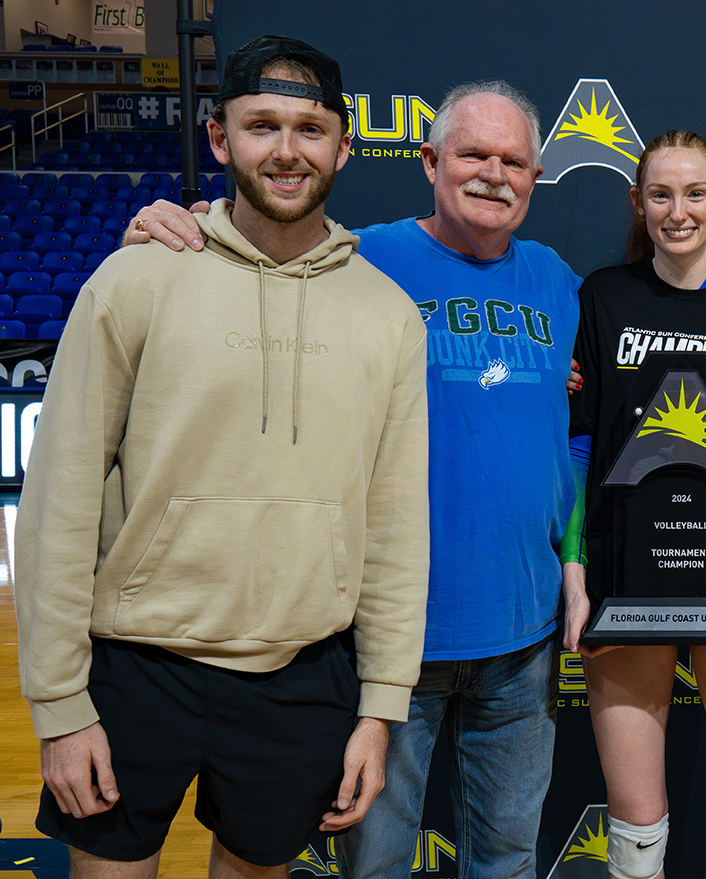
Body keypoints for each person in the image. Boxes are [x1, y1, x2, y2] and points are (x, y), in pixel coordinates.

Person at [125, 81, 577, 879]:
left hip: (525, 635)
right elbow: (244, 257)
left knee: (507, 856)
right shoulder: (353, 256)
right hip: (385, 641)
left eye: (515, 161)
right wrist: (172, 224)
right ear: (431, 160)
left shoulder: (559, 280)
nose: (494, 174)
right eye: (473, 154)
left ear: (537, 179)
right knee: (373, 862)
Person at [15, 34, 429, 879]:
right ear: (219, 139)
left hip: (300, 674)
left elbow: (394, 526)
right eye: (261, 126)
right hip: (134, 667)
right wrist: (59, 707)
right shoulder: (135, 281)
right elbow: (59, 502)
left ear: (345, 147)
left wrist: (381, 706)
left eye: (310, 130)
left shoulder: (388, 315)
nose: (286, 151)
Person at [561, 129, 706, 879]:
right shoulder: (602, 296)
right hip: (625, 583)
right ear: (638, 202)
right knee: (634, 826)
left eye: (696, 192)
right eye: (660, 193)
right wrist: (574, 569)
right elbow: (580, 445)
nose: (678, 210)